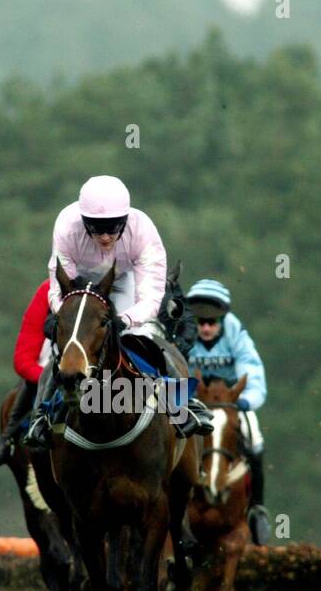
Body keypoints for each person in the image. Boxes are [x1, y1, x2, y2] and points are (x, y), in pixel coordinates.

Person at [23, 175, 214, 449]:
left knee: (146, 338)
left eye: (113, 229)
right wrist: (60, 313)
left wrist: (124, 320)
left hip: (125, 282)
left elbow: (150, 296)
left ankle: (184, 404)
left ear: (125, 220)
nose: (105, 236)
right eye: (96, 228)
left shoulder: (143, 230)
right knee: (65, 348)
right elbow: (58, 285)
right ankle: (42, 415)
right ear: (83, 221)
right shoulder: (66, 225)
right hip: (80, 287)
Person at [184, 278, 271, 544]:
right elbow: (173, 366)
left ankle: (256, 507)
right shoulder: (182, 332)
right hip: (194, 400)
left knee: (254, 438)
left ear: (222, 320)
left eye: (212, 322)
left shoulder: (235, 331)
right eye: (201, 322)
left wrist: (248, 399)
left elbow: (251, 367)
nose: (206, 328)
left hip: (230, 402)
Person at [0, 278, 52, 466]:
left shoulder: (124, 284)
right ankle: (7, 437)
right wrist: (48, 378)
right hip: (49, 372)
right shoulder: (49, 289)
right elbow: (23, 360)